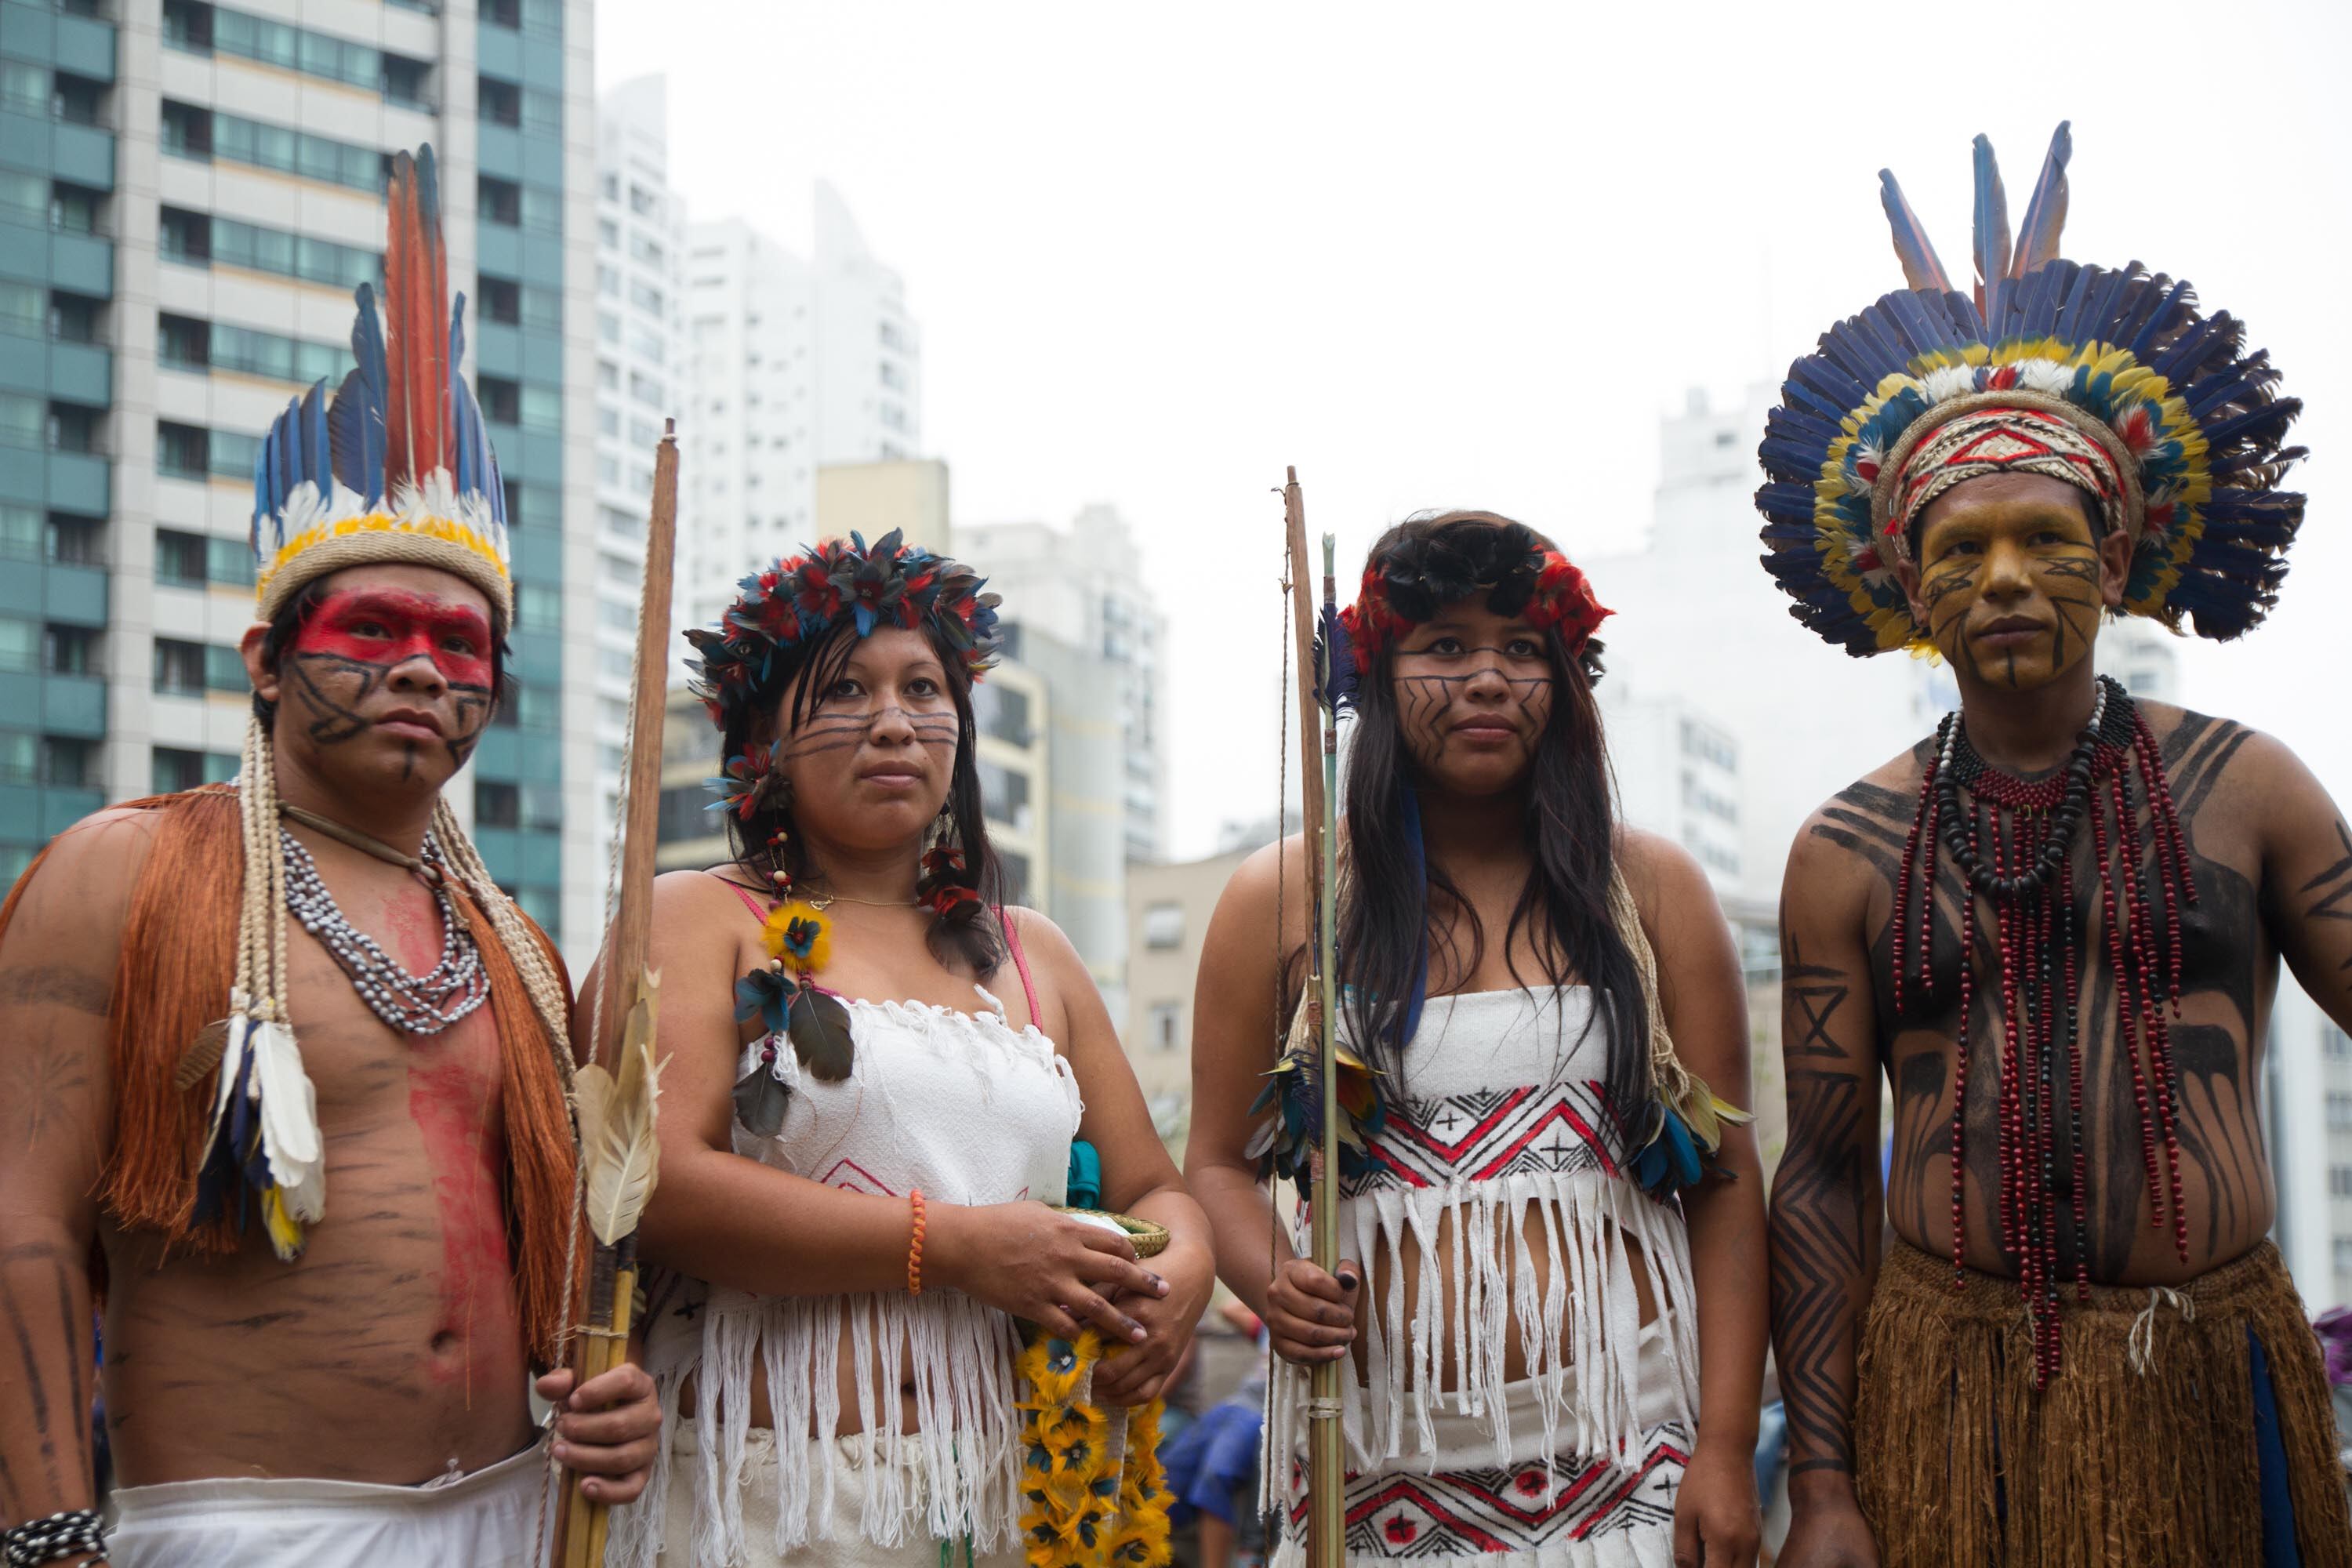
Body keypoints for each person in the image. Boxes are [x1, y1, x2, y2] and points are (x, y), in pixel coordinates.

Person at [0, 145, 659, 1568]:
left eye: (460, 643)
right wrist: (49, 1537)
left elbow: (579, 1261)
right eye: (373, 630)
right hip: (247, 1527)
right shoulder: (122, 874)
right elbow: (20, 1223)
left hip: (514, 1515)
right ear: (265, 658)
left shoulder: (519, 951)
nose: (422, 668)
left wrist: (614, 1398)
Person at [1757, 125, 2352, 1566]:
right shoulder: (1848, 851)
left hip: (2210, 1379)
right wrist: (1823, 1487)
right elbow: (1821, 1175)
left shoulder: (2249, 790)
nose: (2007, 578)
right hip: (1947, 1395)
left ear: (2117, 558)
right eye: (1961, 551)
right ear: (1910, 588)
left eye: (2046, 537)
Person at [603, 533, 1214, 1568]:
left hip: (1004, 1500)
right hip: (765, 1504)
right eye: (846, 688)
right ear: (762, 741)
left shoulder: (1034, 954)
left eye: (923, 688)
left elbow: (1157, 1188)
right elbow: (656, 1184)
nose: (892, 720)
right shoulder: (696, 918)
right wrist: (960, 1247)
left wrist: (1185, 1273)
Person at [1185, 512, 1768, 1568]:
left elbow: (1726, 1186)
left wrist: (1727, 1449)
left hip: (1629, 1474)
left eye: (1522, 648)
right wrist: (1272, 1271)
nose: (1489, 678)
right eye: (1446, 646)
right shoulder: (1283, 897)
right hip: (1375, 1485)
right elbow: (1218, 1162)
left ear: (1565, 679)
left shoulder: (1654, 890)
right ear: (1376, 672)